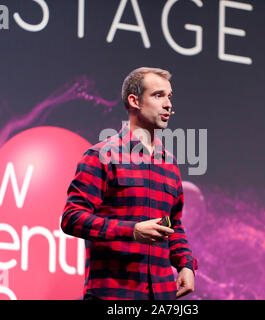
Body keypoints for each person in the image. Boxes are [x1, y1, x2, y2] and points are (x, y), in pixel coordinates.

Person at [61, 67, 198, 300]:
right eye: (158, 95)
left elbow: (173, 224)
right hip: (113, 293)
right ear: (134, 101)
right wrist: (132, 231)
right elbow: (72, 218)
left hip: (162, 295)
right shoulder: (101, 155)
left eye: (170, 97)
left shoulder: (170, 165)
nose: (168, 104)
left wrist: (185, 263)